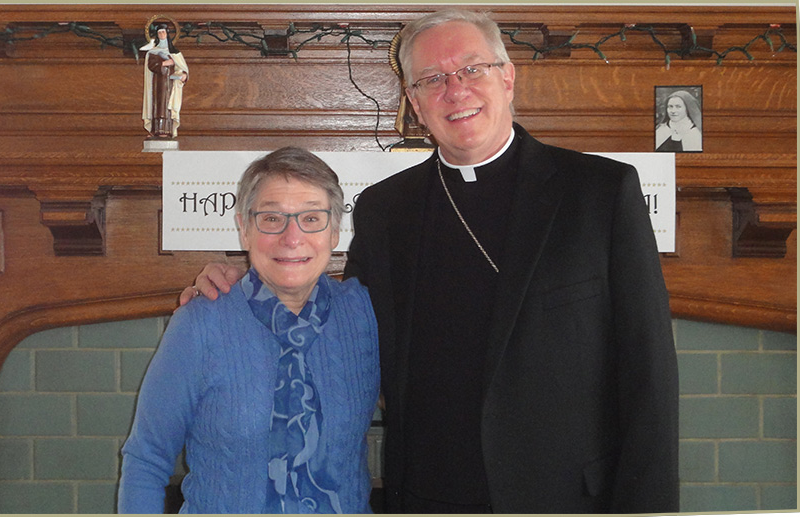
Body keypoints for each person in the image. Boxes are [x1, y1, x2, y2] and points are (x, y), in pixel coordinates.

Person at [181, 9, 679, 514]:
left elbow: (649, 377)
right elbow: (335, 321)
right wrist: (250, 280)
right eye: (433, 79)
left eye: (472, 69)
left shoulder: (599, 193)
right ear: (415, 104)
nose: (455, 90)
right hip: (427, 494)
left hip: (565, 499)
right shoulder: (387, 209)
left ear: (507, 78)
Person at [119, 147, 380, 513]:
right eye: (272, 219)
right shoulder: (200, 324)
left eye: (311, 218)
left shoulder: (364, 314)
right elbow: (146, 458)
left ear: (335, 231)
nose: (292, 237)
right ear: (244, 228)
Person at [141, 23, 189, 139]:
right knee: (159, 106)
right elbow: (151, 65)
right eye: (159, 33)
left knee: (168, 106)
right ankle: (156, 129)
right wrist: (164, 63)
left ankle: (168, 129)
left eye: (163, 32)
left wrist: (183, 75)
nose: (162, 35)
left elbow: (182, 68)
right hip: (158, 83)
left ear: (167, 34)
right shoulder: (153, 52)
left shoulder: (175, 53)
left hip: (171, 84)